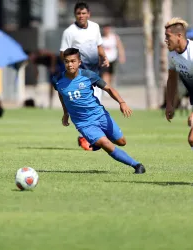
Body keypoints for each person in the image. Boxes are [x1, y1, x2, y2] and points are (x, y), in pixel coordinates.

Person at [52, 48, 145, 174]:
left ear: (79, 62)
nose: (70, 64)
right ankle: (137, 165)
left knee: (121, 142)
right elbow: (61, 94)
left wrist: (122, 103)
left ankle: (97, 141)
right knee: (105, 143)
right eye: (67, 61)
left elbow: (109, 89)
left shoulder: (88, 75)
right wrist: (65, 113)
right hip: (83, 123)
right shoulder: (58, 80)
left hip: (100, 115)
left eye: (73, 61)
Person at [60, 1, 109, 151]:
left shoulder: (95, 27)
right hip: (81, 76)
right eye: (78, 13)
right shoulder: (69, 32)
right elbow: (63, 52)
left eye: (83, 13)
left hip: (95, 73)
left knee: (97, 105)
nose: (81, 16)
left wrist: (104, 57)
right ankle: (86, 138)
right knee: (87, 108)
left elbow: (98, 45)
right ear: (75, 15)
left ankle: (92, 138)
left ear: (89, 14)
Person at [165, 17, 193, 148]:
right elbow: (171, 79)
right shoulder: (172, 55)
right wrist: (169, 104)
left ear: (179, 36)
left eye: (168, 36)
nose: (165, 40)